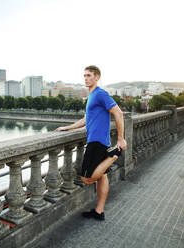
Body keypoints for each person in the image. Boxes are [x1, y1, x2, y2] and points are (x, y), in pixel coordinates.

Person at [56, 65, 127, 220]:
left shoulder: (100, 94)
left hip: (97, 142)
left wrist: (121, 138)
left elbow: (118, 113)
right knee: (102, 177)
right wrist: (67, 128)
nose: (86, 78)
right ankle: (99, 211)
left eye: (89, 75)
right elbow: (86, 120)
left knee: (86, 178)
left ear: (97, 77)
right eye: (85, 76)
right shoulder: (91, 97)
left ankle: (113, 156)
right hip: (98, 141)